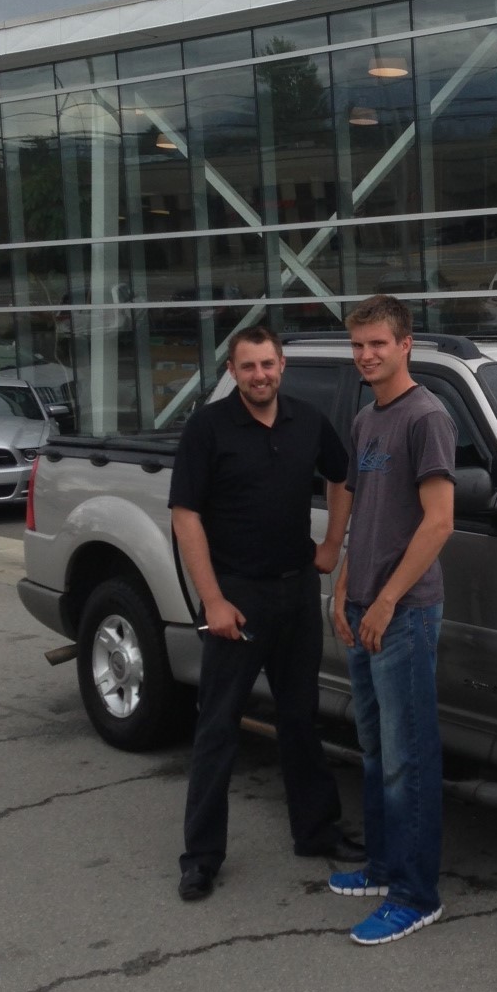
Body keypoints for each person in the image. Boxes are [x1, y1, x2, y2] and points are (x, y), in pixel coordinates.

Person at [170, 324, 359, 901]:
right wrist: (213, 599)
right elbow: (186, 516)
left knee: (301, 718)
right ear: (232, 371)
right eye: (248, 366)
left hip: (296, 589)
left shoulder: (307, 420)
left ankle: (316, 829)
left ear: (283, 366)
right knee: (218, 726)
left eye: (268, 365)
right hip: (237, 597)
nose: (260, 376)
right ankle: (201, 857)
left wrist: (330, 545)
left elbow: (342, 475)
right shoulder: (208, 428)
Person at [328, 295, 456, 946]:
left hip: (403, 615)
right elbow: (365, 513)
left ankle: (415, 894)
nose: (367, 355)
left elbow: (439, 522)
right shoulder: (364, 422)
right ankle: (382, 868)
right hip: (365, 607)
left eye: (378, 343)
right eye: (358, 345)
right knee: (375, 750)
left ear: (406, 345)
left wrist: (383, 601)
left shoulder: (425, 417)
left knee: (409, 758)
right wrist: (348, 586)